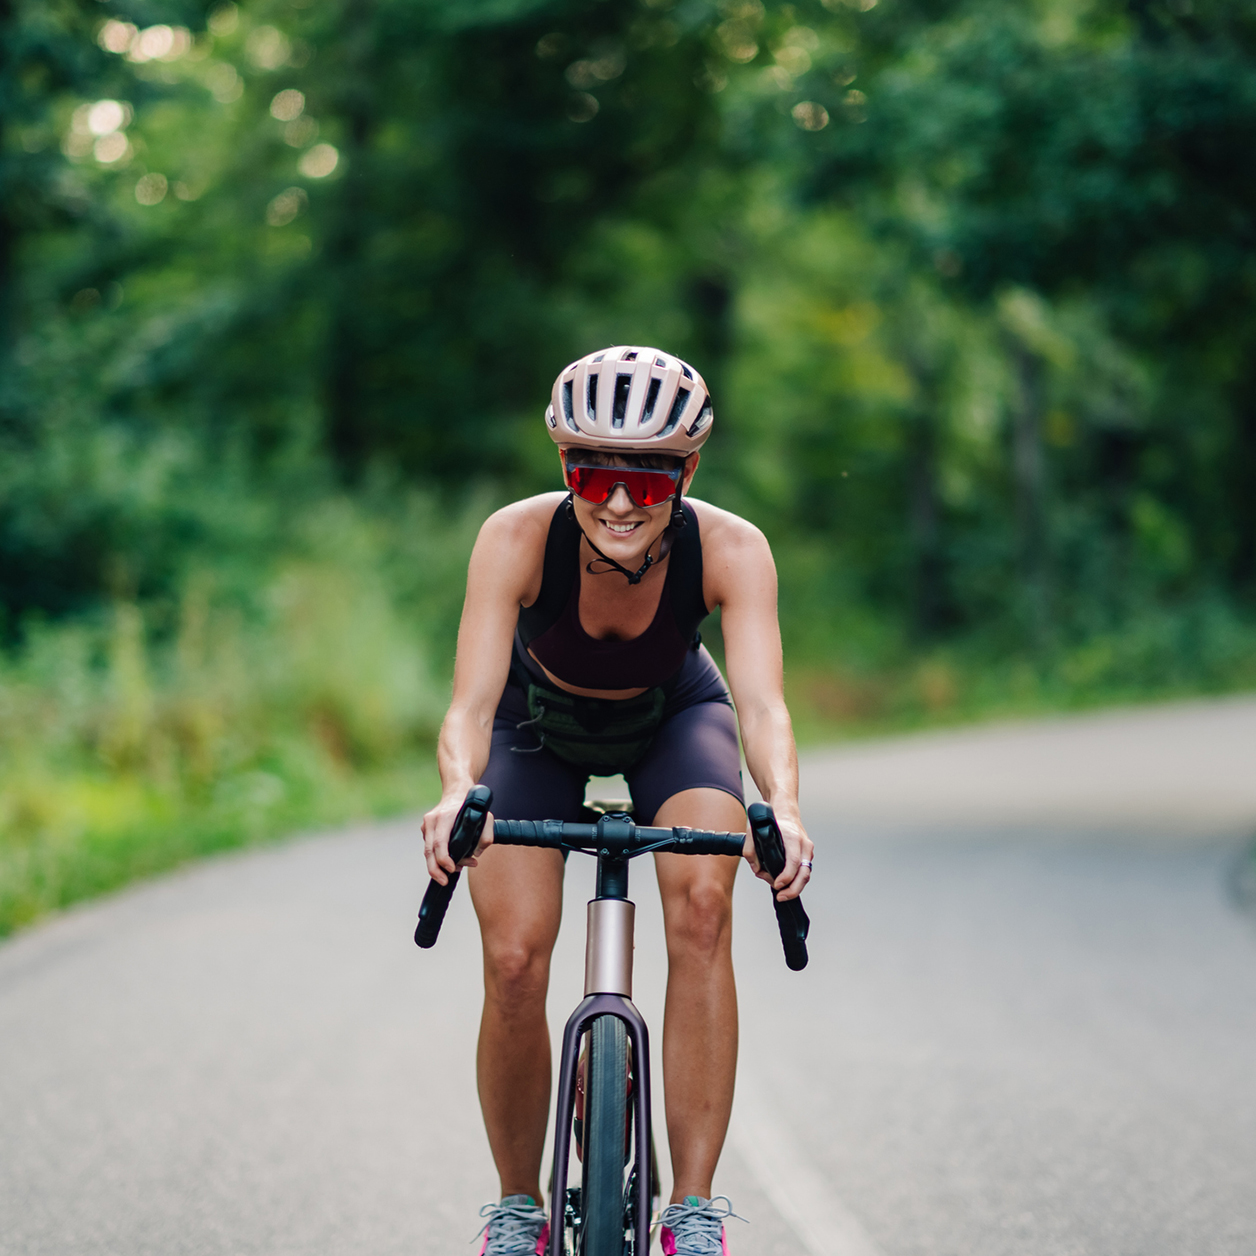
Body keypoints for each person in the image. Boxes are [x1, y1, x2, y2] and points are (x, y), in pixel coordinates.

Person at [422, 346, 813, 1255]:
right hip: (532, 725)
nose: (622, 503)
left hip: (676, 719)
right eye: (595, 475)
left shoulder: (734, 549)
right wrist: (455, 793)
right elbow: (469, 706)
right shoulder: (515, 538)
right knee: (514, 957)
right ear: (565, 467)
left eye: (652, 477)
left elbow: (764, 707)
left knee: (704, 910)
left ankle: (694, 1210)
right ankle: (518, 1209)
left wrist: (785, 809)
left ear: (689, 473)